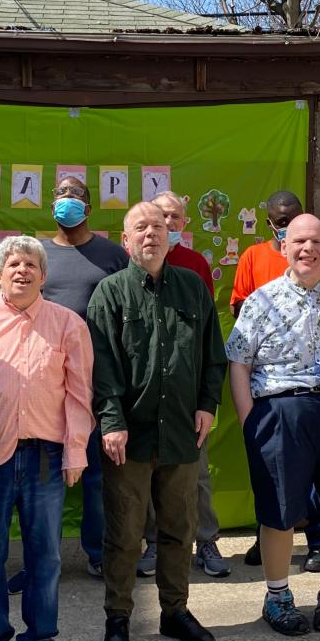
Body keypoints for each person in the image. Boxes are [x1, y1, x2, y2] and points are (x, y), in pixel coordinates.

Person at [86, 202, 227, 641]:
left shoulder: (192, 288)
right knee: (125, 533)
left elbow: (212, 353)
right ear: (125, 241)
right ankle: (118, 618)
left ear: (171, 235)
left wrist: (208, 404)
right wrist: (111, 420)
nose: (152, 233)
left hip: (183, 434)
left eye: (159, 226)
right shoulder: (109, 294)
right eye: (140, 228)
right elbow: (102, 366)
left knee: (178, 529)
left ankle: (175, 612)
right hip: (129, 435)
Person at [228, 214, 320, 636]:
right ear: (284, 249)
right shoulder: (261, 300)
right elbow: (239, 361)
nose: (307, 248)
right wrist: (250, 422)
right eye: (298, 241)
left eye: (315, 241)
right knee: (278, 514)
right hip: (280, 414)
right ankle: (277, 597)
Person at [0, 235, 94, 641]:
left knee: (45, 555)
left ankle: (40, 640)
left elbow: (79, 394)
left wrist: (75, 451)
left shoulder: (68, 324)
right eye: (13, 263)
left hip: (45, 459)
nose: (22, 270)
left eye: (31, 264)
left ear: (43, 275)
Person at [7, 176, 128, 592]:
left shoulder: (113, 255)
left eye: (75, 195)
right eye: (61, 195)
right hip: (40, 385)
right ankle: (40, 563)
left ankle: (97, 555)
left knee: (95, 477)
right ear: (50, 205)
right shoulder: (37, 257)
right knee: (39, 480)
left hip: (95, 382)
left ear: (89, 207)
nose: (67, 201)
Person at [229, 191, 320, 573]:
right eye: (279, 222)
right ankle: (270, 537)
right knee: (272, 470)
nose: (285, 227)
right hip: (269, 381)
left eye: (291, 218)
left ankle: (319, 541)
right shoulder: (252, 257)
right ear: (270, 224)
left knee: (315, 471)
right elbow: (237, 303)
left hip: (315, 380)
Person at [136, 191, 229, 578]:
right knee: (148, 475)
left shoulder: (195, 266)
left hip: (186, 391)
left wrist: (205, 398)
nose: (167, 225)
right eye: (161, 217)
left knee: (198, 473)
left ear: (184, 224)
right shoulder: (133, 264)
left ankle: (205, 541)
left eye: (174, 218)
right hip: (145, 393)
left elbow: (205, 332)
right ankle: (155, 544)